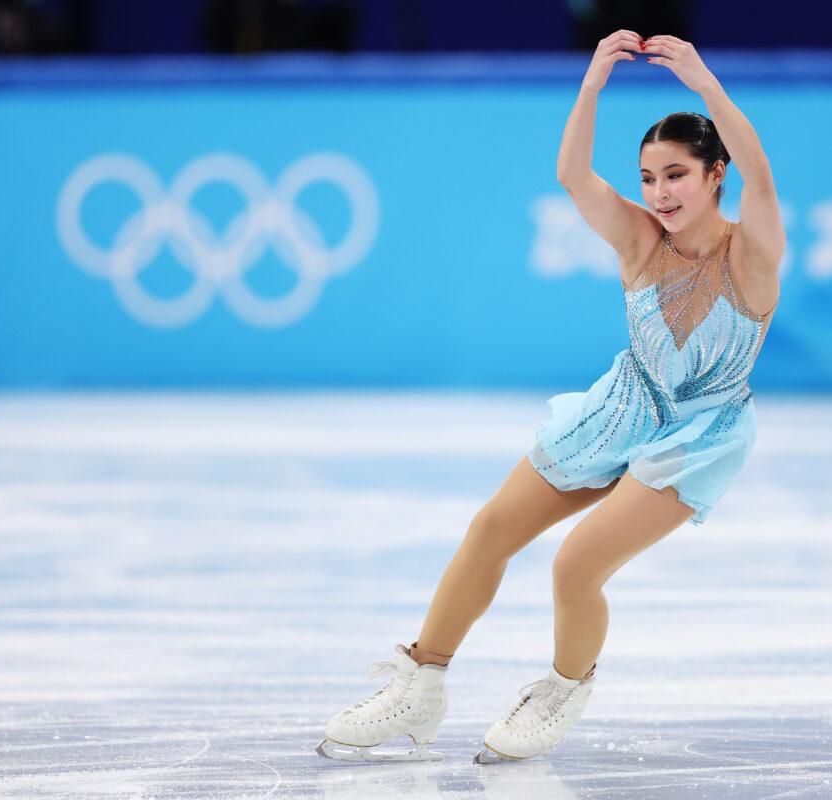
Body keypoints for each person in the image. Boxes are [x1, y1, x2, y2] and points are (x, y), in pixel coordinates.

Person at [317, 28, 784, 764]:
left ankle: (563, 691)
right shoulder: (639, 242)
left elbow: (763, 177)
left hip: (699, 434)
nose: (658, 193)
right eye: (649, 177)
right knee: (492, 527)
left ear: (714, 173)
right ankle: (421, 682)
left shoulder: (750, 254)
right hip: (625, 406)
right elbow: (573, 175)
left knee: (575, 566)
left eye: (676, 175)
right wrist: (592, 84)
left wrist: (703, 84)